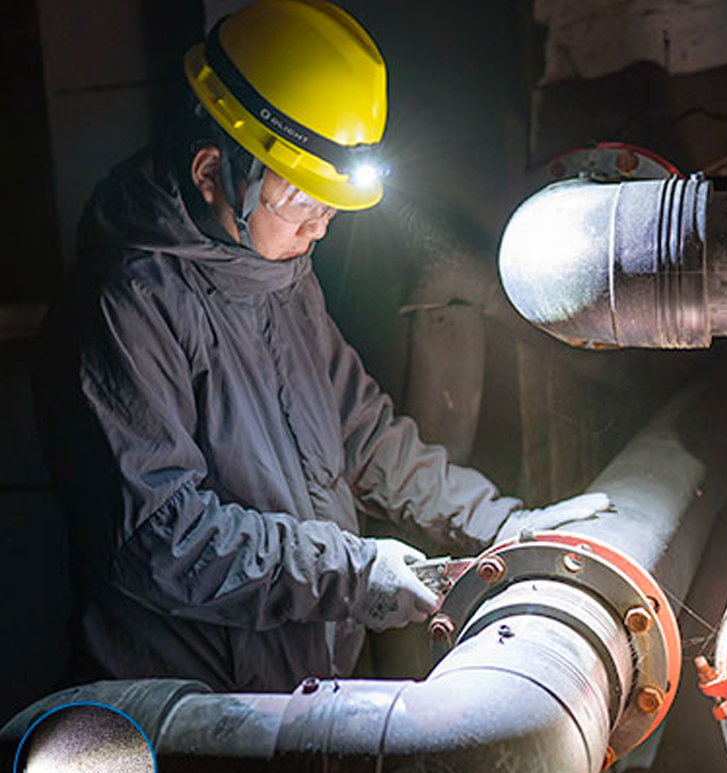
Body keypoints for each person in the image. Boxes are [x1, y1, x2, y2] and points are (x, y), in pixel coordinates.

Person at [35, 0, 608, 692]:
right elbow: (163, 536)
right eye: (302, 201)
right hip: (190, 713)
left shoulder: (279, 274)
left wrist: (504, 523)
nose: (320, 227)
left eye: (330, 204)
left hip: (298, 690)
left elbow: (364, 437)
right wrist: (353, 574)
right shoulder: (124, 304)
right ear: (212, 174)